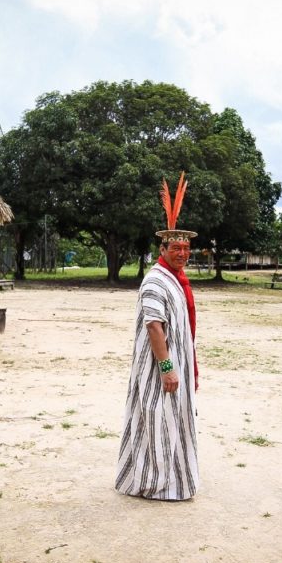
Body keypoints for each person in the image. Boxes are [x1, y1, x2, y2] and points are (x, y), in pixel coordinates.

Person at [115, 173, 200, 501]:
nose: (182, 253)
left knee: (170, 420)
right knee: (157, 419)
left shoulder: (176, 278)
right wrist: (167, 368)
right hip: (159, 368)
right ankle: (155, 483)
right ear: (162, 248)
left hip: (174, 364)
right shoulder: (156, 282)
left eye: (186, 248)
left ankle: (173, 479)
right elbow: (154, 326)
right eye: (176, 248)